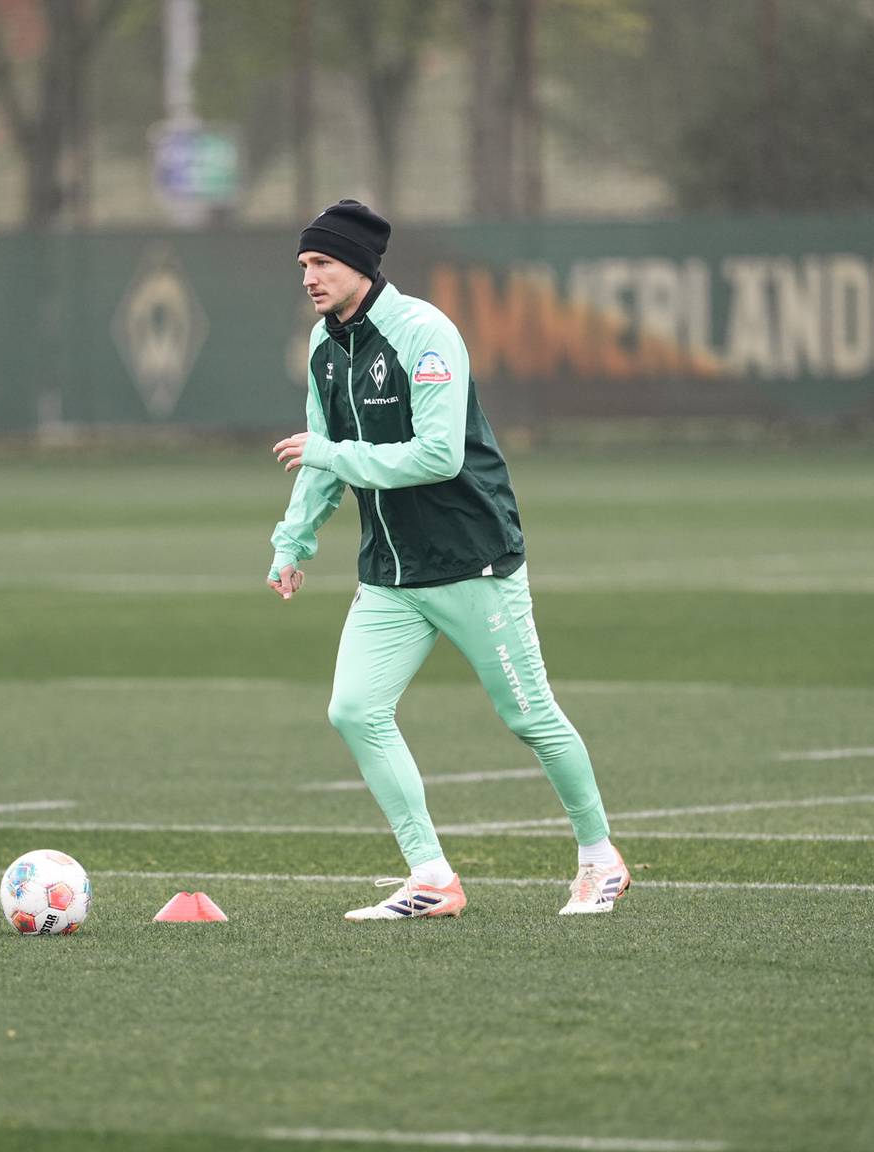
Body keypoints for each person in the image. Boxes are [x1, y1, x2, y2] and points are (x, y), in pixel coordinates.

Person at [267, 199, 626, 920]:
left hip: (472, 561)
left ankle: (600, 860)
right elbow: (320, 457)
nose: (309, 277)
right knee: (355, 710)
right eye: (304, 264)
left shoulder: (425, 334)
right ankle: (430, 876)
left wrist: (332, 454)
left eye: (323, 262)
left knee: (529, 716)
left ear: (360, 266)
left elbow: (437, 456)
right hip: (392, 574)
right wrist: (292, 541)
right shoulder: (322, 345)